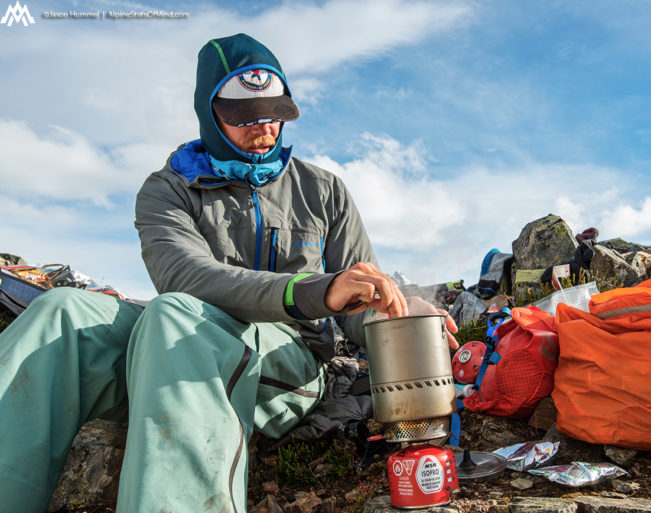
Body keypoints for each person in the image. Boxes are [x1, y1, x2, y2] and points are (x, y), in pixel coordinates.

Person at [0, 33, 456, 512]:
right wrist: (314, 288)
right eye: (243, 116)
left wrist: (399, 314)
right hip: (178, 337)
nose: (263, 126)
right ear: (209, 113)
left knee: (174, 318)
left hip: (288, 362)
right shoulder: (167, 189)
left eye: (274, 111)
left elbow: (357, 305)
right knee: (60, 312)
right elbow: (185, 275)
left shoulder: (324, 190)